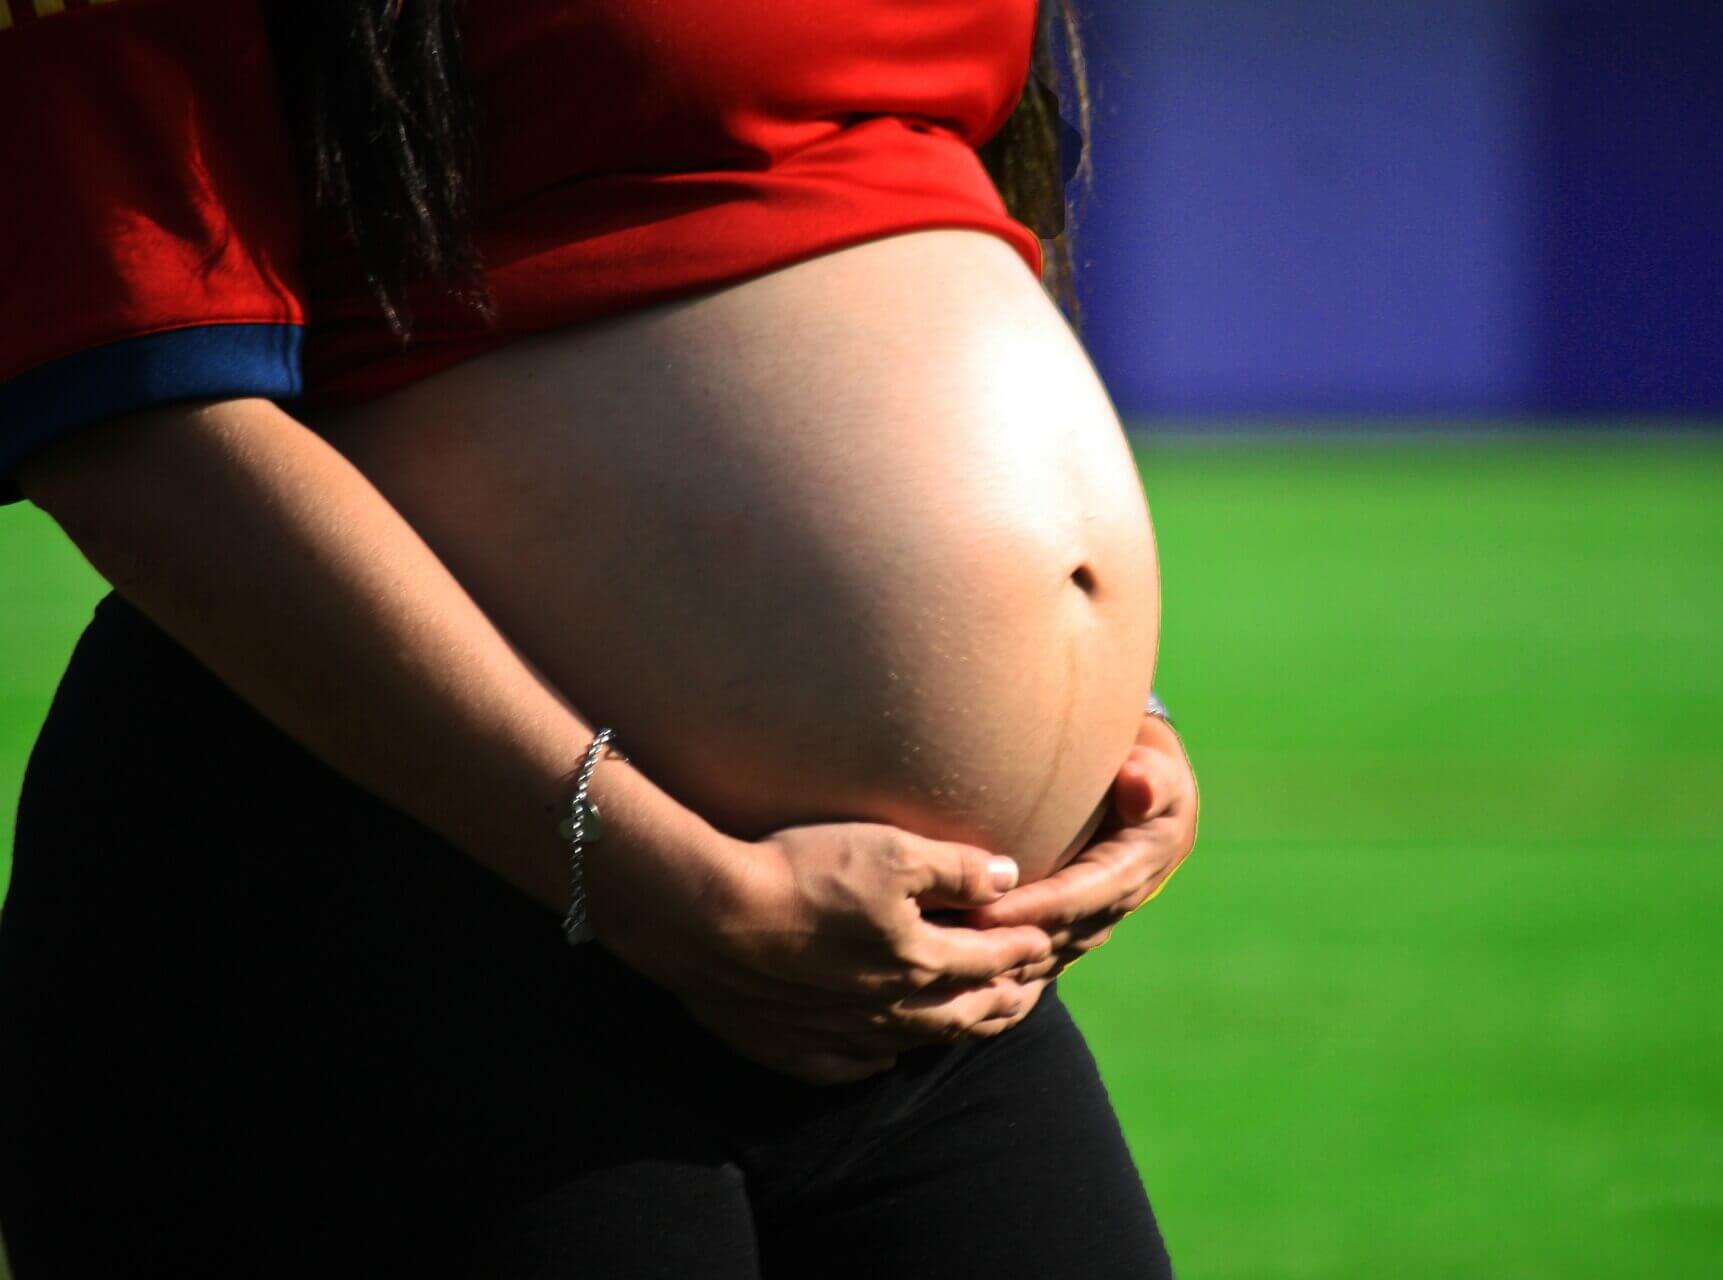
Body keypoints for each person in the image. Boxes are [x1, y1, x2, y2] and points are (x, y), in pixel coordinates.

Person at [0, 0, 1199, 1274]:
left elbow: (907, 206)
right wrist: (652, 884)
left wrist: (1101, 718)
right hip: (411, 910)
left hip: (916, 970)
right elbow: (127, 411)